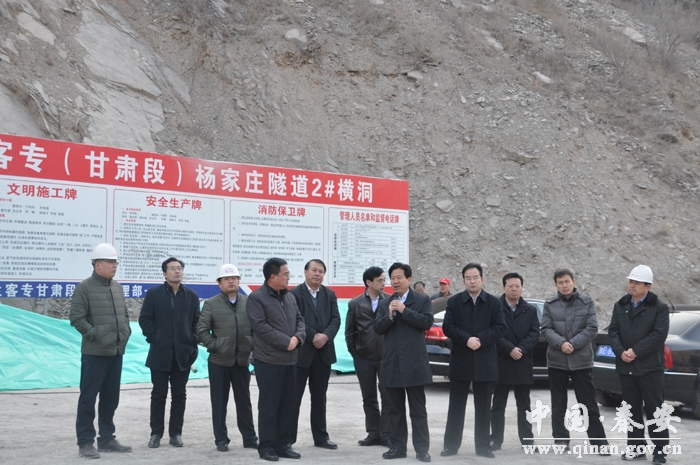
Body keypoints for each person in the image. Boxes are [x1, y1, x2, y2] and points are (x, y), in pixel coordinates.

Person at [69, 243, 132, 458]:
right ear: (97, 265)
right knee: (88, 399)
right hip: (94, 353)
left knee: (110, 399)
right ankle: (85, 442)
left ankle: (106, 439)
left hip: (115, 352)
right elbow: (77, 318)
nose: (115, 266)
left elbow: (124, 316)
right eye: (110, 262)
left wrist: (125, 333)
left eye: (116, 262)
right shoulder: (84, 288)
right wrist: (96, 335)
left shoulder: (117, 288)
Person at [541, 269, 609, 454]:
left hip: (581, 361)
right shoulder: (550, 304)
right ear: (556, 284)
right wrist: (561, 343)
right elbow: (546, 328)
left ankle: (599, 443)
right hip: (557, 360)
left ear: (574, 281)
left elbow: (592, 328)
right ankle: (561, 440)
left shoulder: (586, 302)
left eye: (567, 281)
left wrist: (573, 344)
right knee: (558, 404)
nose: (564, 285)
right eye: (560, 282)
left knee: (588, 403)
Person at [440, 263, 506, 459]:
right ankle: (450, 446)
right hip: (461, 361)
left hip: (485, 362)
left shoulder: (494, 303)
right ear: (463, 281)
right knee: (456, 407)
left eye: (475, 277)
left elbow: (500, 328)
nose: (472, 281)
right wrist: (467, 339)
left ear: (482, 279)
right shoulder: (455, 302)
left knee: (484, 408)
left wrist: (480, 339)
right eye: (468, 278)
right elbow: (448, 327)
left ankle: (483, 447)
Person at [608, 265, 670, 463]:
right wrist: (621, 352)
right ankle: (636, 448)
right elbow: (613, 331)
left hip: (650, 368)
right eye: (631, 282)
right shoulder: (621, 305)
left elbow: (658, 335)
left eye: (637, 283)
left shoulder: (659, 308)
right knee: (631, 409)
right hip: (626, 367)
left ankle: (660, 450)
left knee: (655, 409)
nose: (632, 285)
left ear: (648, 286)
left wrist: (635, 351)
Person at [246, 257, 306, 462]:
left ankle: (283, 445)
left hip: (291, 360)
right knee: (269, 407)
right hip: (269, 361)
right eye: (285, 274)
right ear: (273, 277)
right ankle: (267, 447)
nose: (289, 277)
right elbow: (260, 326)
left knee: (288, 405)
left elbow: (300, 320)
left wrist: (297, 338)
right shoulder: (256, 298)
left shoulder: (290, 297)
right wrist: (285, 341)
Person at [374, 262, 434, 463]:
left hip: (414, 363)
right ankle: (398, 447)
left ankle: (422, 450)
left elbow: (426, 322)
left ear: (409, 279)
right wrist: (390, 316)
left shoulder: (422, 300)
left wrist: (404, 310)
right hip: (392, 363)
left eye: (399, 277)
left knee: (418, 410)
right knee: (395, 410)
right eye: (392, 278)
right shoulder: (385, 303)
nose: (395, 281)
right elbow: (377, 328)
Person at [139, 257, 200, 449]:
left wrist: (191, 340)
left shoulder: (191, 296)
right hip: (160, 353)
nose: (177, 271)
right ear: (164, 273)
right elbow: (145, 319)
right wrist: (155, 338)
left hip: (183, 354)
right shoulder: (154, 294)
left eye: (179, 268)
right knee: (159, 394)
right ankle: (156, 433)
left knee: (179, 395)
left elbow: (197, 322)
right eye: (172, 268)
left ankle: (176, 434)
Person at [196, 264, 258, 452]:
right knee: (219, 403)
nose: (231, 281)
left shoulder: (249, 302)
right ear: (219, 283)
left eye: (234, 278)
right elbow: (201, 330)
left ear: (239, 281)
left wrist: (250, 345)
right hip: (219, 362)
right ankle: (221, 439)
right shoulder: (211, 304)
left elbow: (257, 328)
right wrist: (216, 346)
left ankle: (250, 438)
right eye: (226, 279)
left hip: (241, 361)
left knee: (244, 402)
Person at [290, 259, 341, 449]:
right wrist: (313, 336)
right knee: (294, 398)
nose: (317, 274)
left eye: (321, 271)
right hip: (302, 353)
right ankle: (288, 439)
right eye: (314, 270)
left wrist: (326, 336)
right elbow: (296, 319)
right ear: (305, 272)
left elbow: (336, 319)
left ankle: (321, 437)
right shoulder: (294, 294)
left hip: (323, 353)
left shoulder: (329, 294)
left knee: (320, 398)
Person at [489, 272, 540, 450]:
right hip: (501, 360)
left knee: (524, 405)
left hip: (522, 361)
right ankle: (495, 439)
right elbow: (493, 332)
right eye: (510, 286)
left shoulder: (530, 310)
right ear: (504, 287)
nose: (514, 289)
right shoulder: (495, 308)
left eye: (517, 286)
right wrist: (509, 348)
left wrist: (521, 349)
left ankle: (527, 440)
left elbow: (534, 333)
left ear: (522, 288)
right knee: (498, 404)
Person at [345, 266, 391, 447]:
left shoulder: (390, 300)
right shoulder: (355, 303)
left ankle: (386, 435)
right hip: (364, 358)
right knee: (368, 398)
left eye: (384, 280)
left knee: (388, 397)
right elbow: (350, 332)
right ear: (368, 282)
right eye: (379, 280)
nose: (383, 283)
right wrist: (355, 353)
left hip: (386, 357)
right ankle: (373, 433)